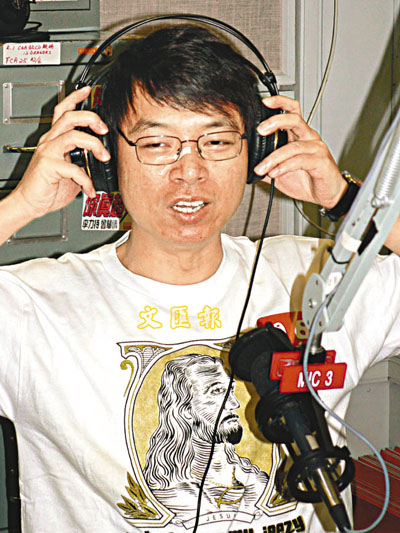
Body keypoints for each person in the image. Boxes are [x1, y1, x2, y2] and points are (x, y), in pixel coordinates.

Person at [0, 21, 399, 533]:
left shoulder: (319, 278)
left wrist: (345, 199)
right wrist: (20, 205)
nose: (190, 171)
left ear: (257, 151)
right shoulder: (34, 310)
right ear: (104, 158)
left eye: (216, 140)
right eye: (157, 143)